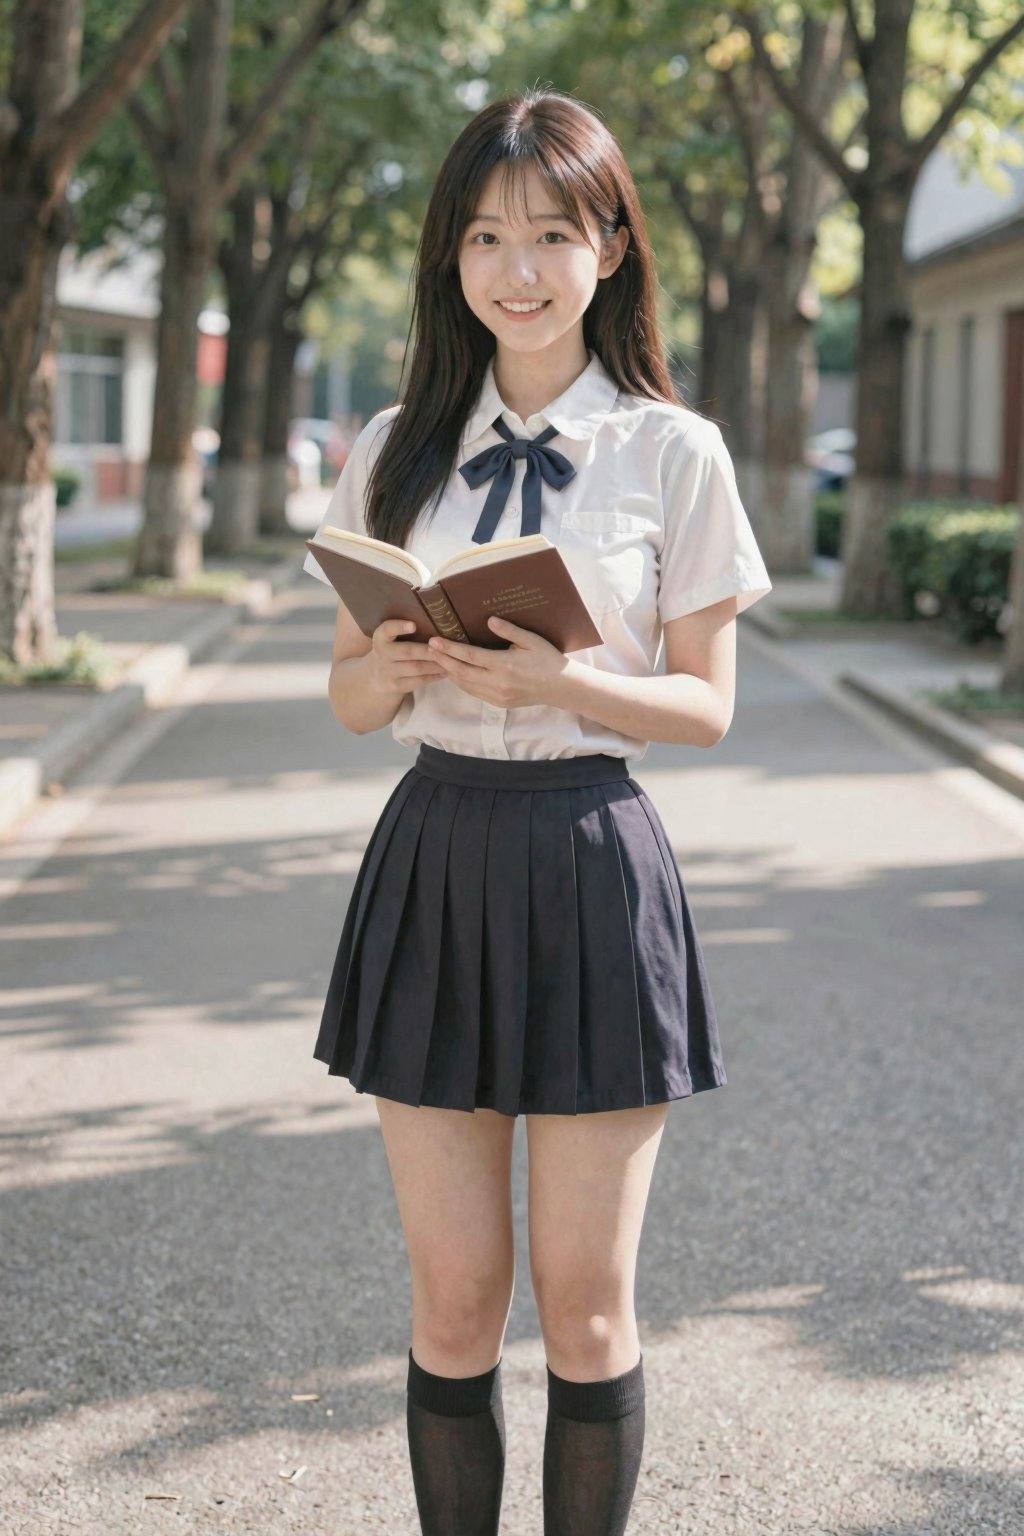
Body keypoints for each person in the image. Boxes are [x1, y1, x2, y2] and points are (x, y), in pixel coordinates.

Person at [303, 88, 772, 1536]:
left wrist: (566, 688)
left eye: (553, 234)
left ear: (612, 246)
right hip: (434, 852)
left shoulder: (671, 453)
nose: (519, 267)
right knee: (454, 1310)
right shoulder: (394, 443)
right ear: (450, 258)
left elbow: (707, 706)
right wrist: (383, 670)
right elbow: (344, 700)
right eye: (487, 236)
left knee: (584, 1311)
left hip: (590, 858)